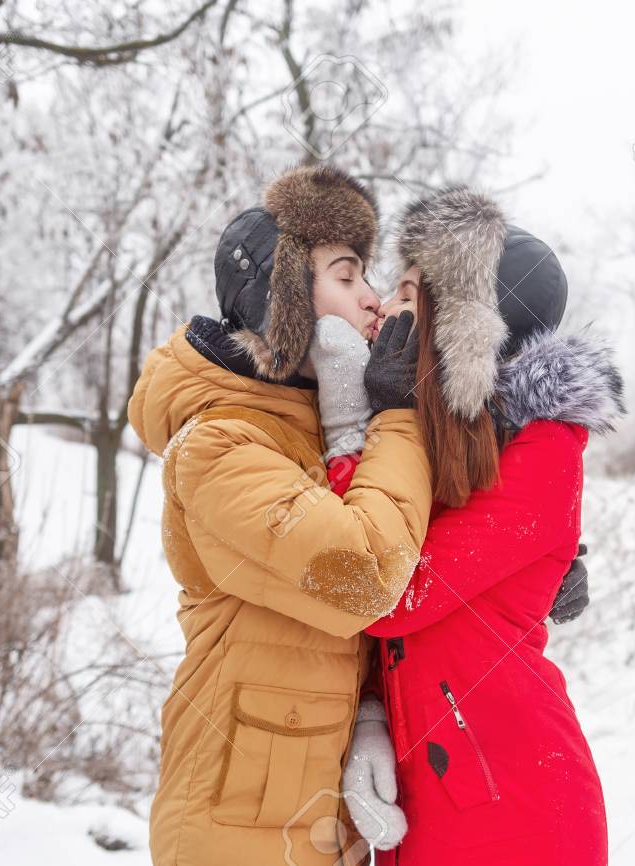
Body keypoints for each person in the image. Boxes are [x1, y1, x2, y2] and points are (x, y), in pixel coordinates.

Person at [127, 165, 432, 866]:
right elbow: (363, 575)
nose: (373, 298)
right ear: (286, 298)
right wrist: (398, 419)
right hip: (235, 828)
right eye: (347, 277)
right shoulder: (220, 445)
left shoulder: (315, 430)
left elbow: (395, 551)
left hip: (318, 820)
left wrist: (531, 560)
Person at [338, 188, 624, 864]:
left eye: (409, 293)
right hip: (441, 797)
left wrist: (380, 421)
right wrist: (372, 714)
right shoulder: (452, 446)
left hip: (519, 809)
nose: (384, 307)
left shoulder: (545, 451)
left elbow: (382, 592)